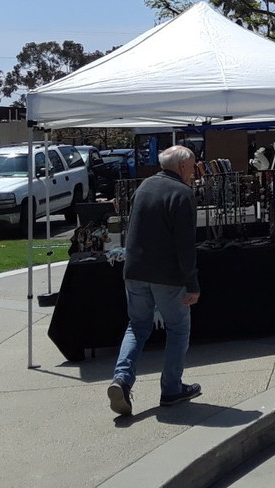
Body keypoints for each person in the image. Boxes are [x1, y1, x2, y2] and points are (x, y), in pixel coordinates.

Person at [108, 145, 201, 416]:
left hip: (135, 270)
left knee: (137, 327)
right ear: (182, 166)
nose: (194, 172)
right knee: (178, 329)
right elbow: (186, 245)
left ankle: (122, 379)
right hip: (167, 276)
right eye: (193, 166)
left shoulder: (145, 186)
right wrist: (192, 283)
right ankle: (171, 388)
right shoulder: (182, 194)